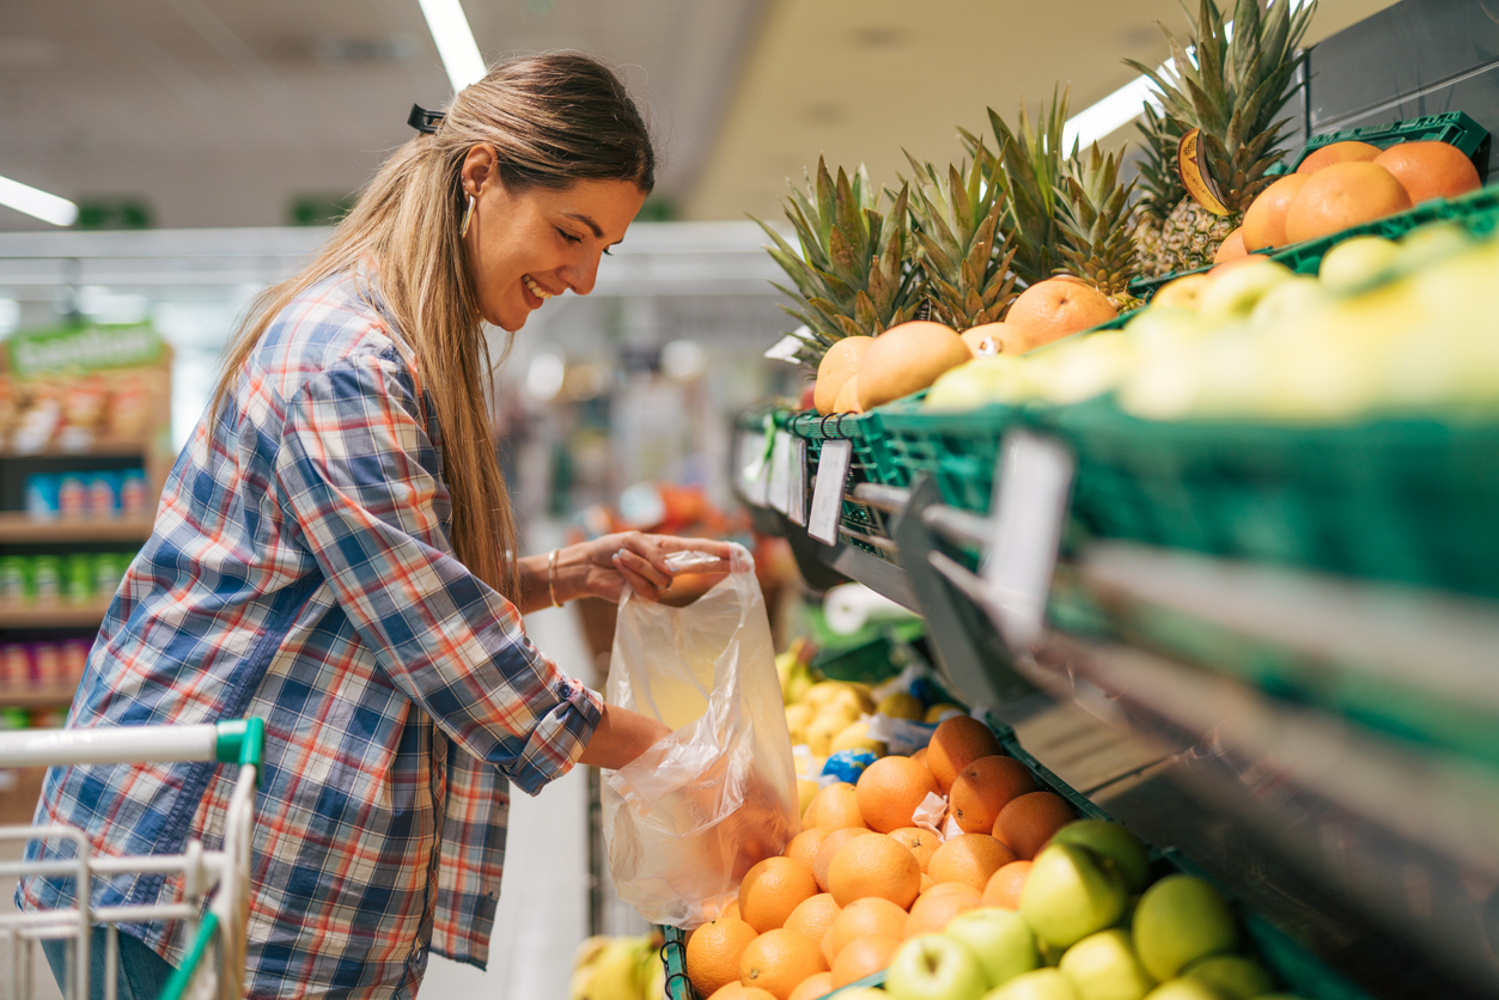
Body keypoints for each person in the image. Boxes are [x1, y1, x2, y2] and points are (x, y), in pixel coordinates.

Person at [18, 52, 733, 997]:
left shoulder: (404, 342)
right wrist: (670, 756)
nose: (585, 277)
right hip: (188, 874)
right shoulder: (346, 357)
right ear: (479, 174)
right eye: (571, 232)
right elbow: (445, 643)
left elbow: (355, 585)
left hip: (279, 881)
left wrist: (559, 574)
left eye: (606, 247)